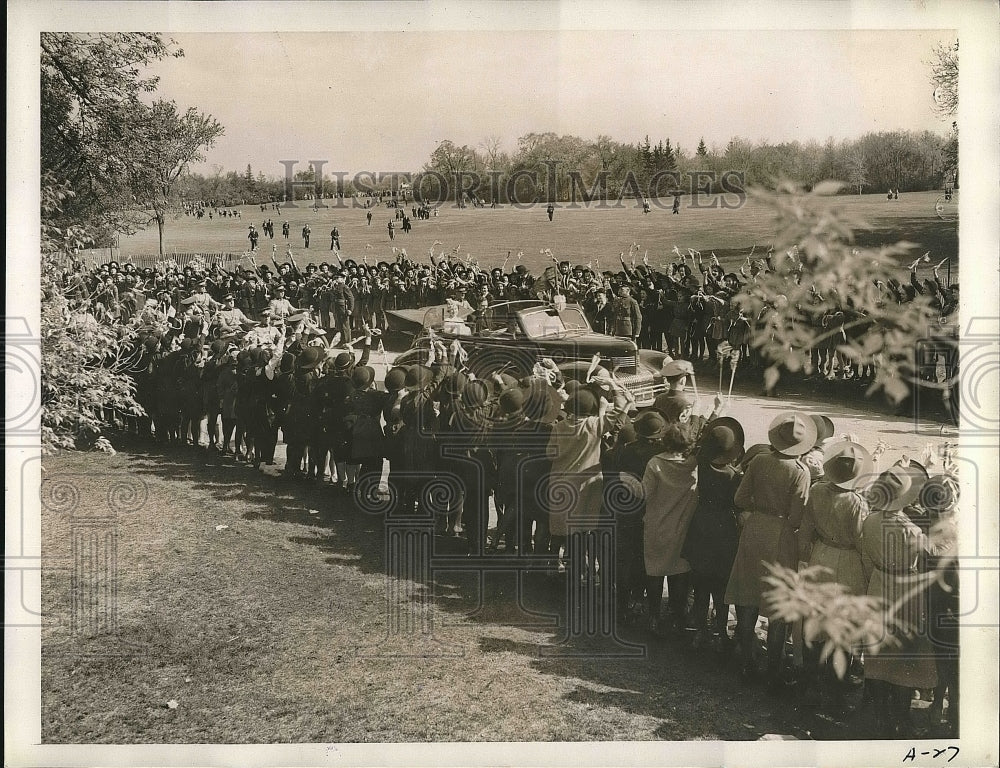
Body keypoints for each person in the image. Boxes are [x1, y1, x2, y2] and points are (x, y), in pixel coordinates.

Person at [725, 411, 815, 689]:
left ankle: (746, 663)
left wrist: (757, 510)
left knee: (747, 596)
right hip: (781, 534)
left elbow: (740, 498)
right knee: (777, 608)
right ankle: (773, 670)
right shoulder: (800, 472)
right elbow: (797, 516)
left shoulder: (760, 460)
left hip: (754, 530)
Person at [861, 463, 937, 738]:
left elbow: (866, 554)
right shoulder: (911, 530)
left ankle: (880, 717)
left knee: (879, 653)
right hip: (905, 590)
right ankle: (900, 719)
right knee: (905, 660)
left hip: (878, 583)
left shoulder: (870, 520)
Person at [682, 418, 745, 651]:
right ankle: (720, 629)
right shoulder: (732, 476)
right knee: (720, 584)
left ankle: (701, 629)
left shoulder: (699, 464)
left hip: (700, 523)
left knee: (700, 582)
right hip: (723, 529)